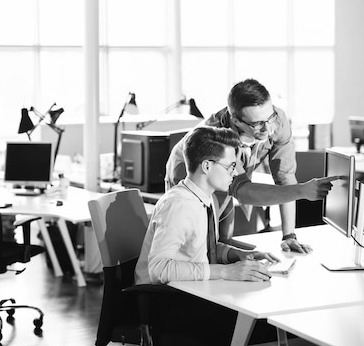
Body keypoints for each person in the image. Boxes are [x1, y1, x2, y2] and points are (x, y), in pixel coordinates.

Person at [134, 126, 281, 345]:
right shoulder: (179, 205)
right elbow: (159, 269)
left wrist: (237, 255)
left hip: (193, 292)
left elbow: (201, 247)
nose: (235, 172)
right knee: (265, 328)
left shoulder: (203, 197)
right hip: (167, 303)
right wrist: (226, 272)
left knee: (263, 319)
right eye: (231, 165)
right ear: (206, 166)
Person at [166, 78, 336, 253]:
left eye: (270, 117)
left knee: (224, 243)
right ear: (236, 120)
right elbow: (242, 191)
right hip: (193, 177)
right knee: (200, 248)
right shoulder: (216, 138)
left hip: (229, 180)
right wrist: (302, 191)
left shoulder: (277, 121)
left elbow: (285, 177)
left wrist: (289, 236)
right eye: (257, 124)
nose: (268, 129)